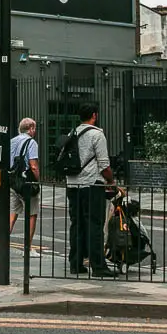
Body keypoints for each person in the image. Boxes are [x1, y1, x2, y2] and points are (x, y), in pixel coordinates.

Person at [65, 103, 117, 278]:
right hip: (92, 185)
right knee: (94, 225)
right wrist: (111, 181)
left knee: (77, 224)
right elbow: (104, 165)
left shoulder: (72, 133)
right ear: (94, 115)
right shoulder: (97, 134)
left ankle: (75, 264)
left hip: (72, 185)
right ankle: (99, 266)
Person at [9, 118, 41, 255]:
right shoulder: (31, 142)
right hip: (26, 183)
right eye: (34, 129)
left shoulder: (12, 141)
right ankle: (27, 249)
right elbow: (33, 166)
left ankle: (4, 243)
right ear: (31, 128)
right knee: (32, 214)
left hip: (13, 182)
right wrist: (37, 181)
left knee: (13, 212)